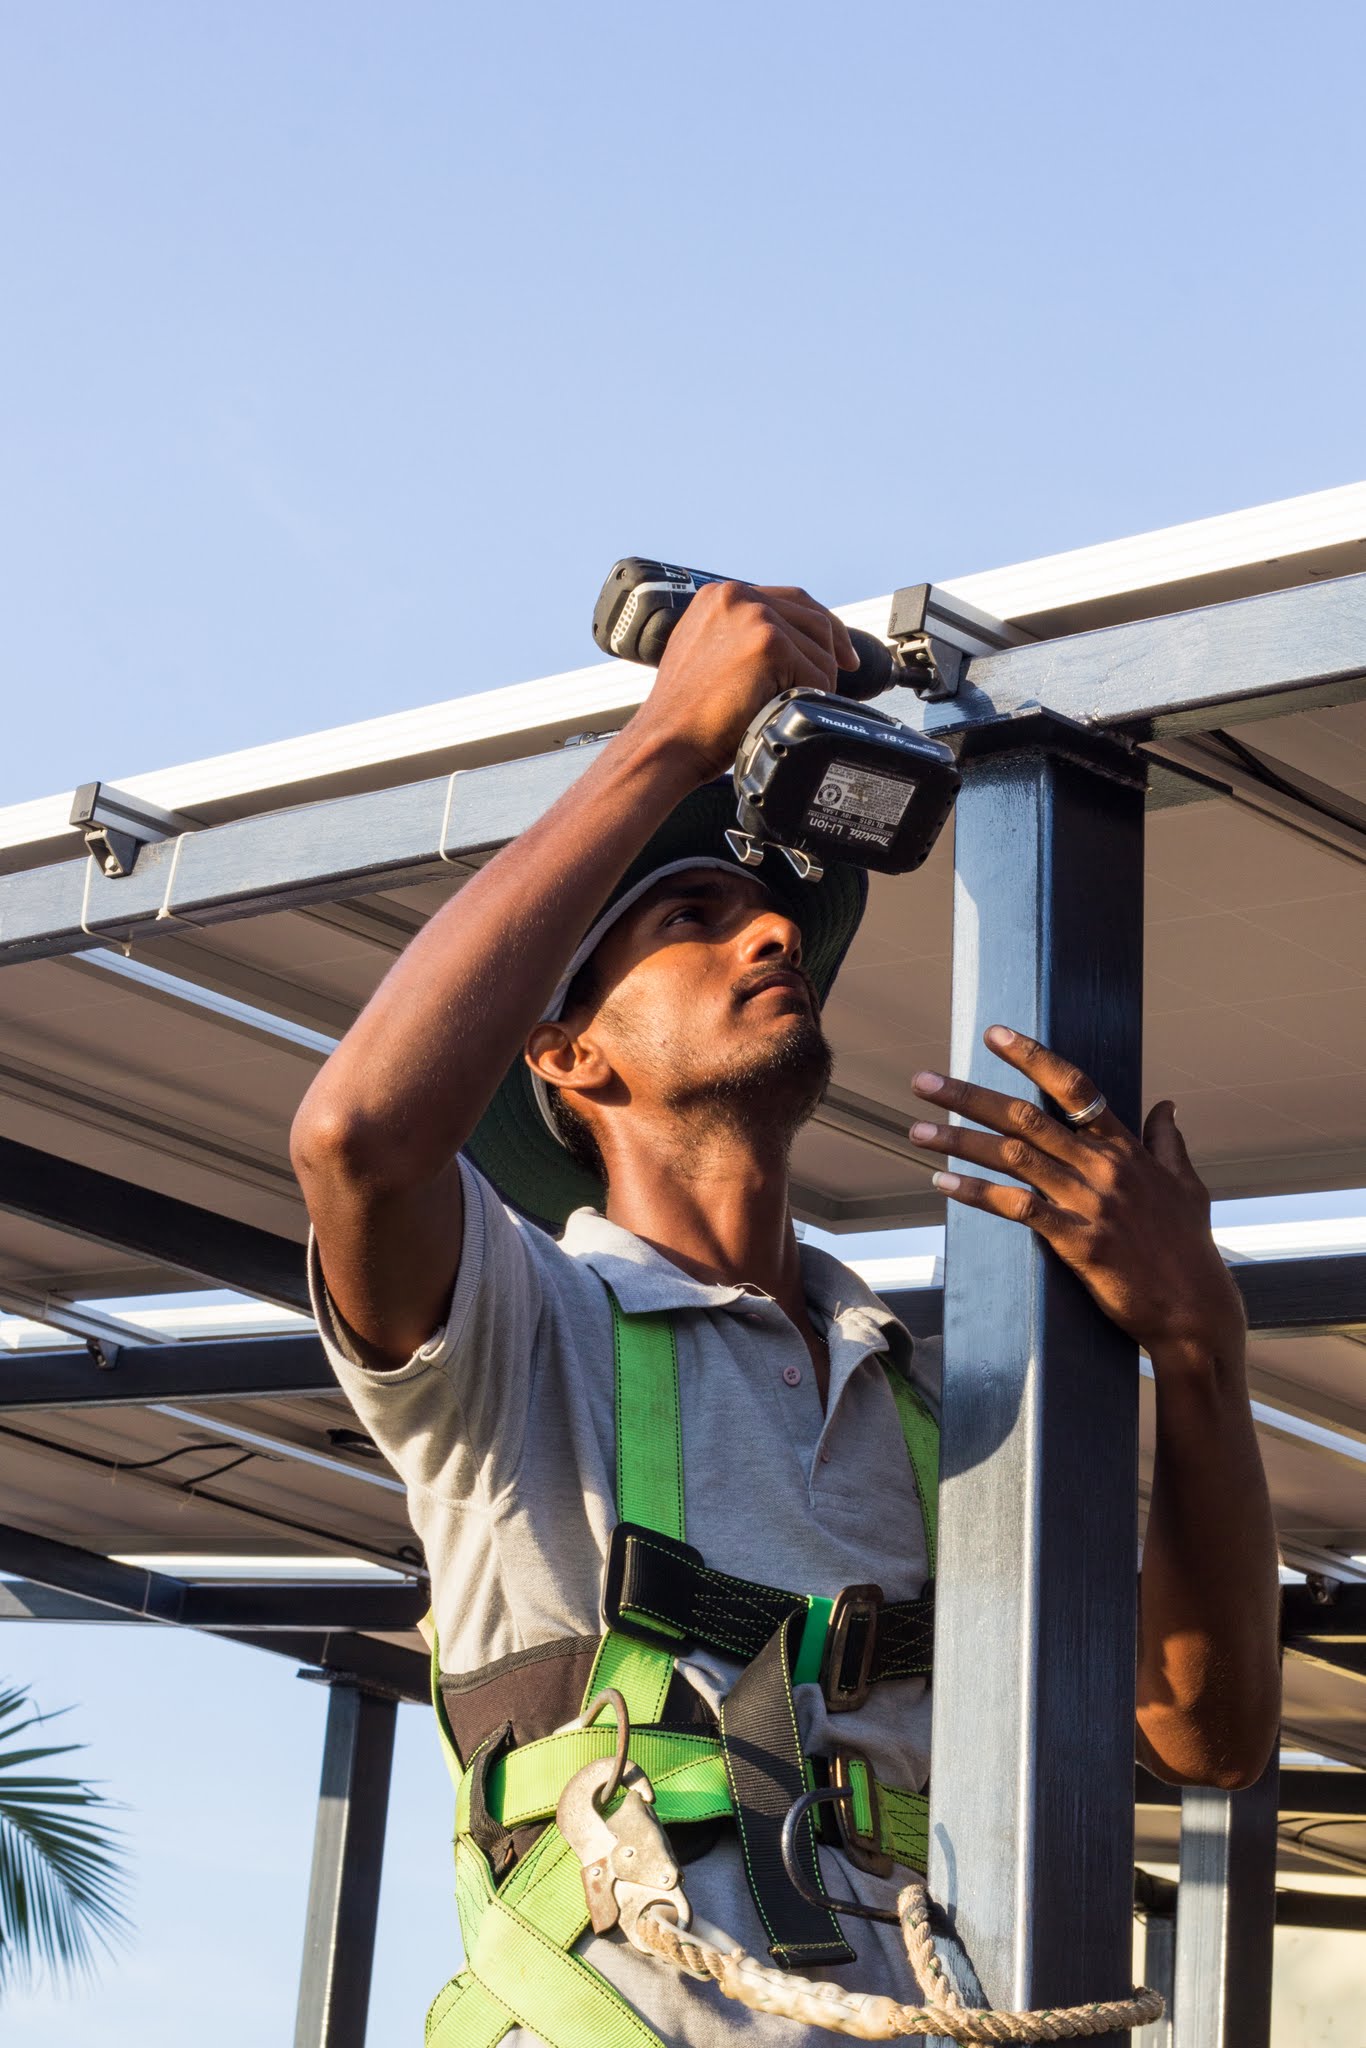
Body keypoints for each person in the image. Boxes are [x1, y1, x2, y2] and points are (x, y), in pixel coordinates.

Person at [291, 579, 1282, 2047]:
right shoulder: (516, 1336)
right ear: (563, 1051)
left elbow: (1206, 1735)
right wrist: (667, 740)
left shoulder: (932, 1409)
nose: (765, 935)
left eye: (771, 919)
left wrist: (1199, 1356)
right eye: (693, 916)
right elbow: (355, 1140)